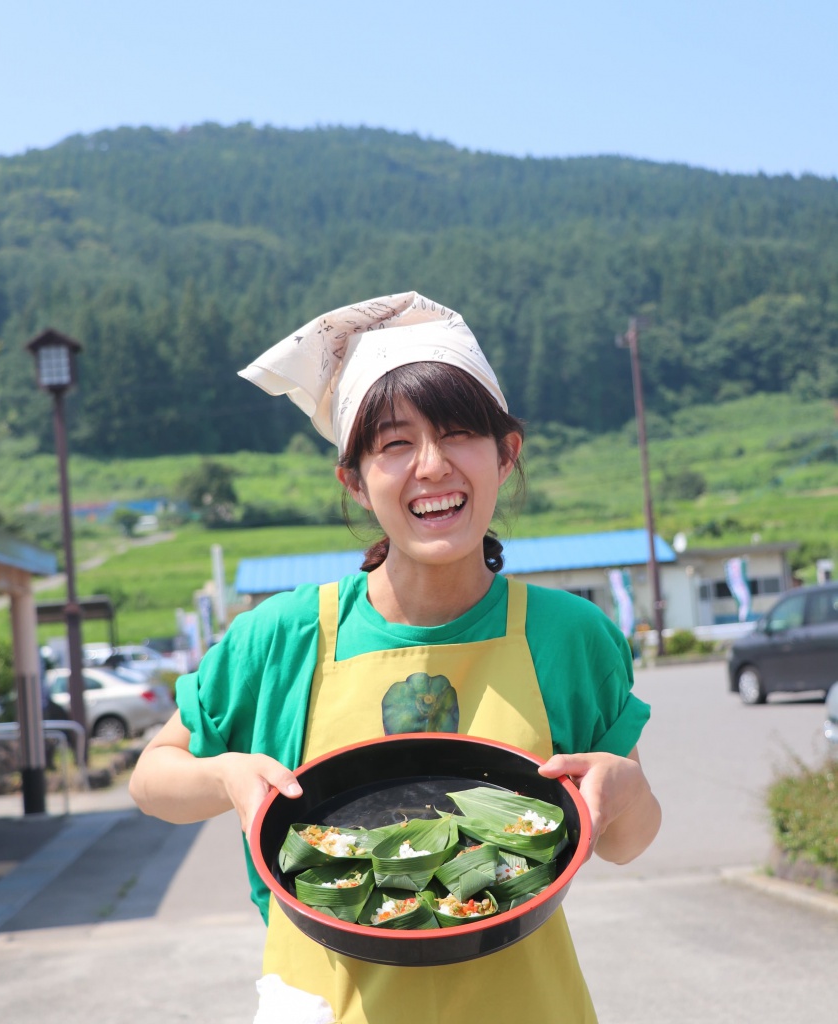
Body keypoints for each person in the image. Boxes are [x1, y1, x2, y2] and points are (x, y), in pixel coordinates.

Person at [130, 291, 661, 1024]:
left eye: (459, 434)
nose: (432, 466)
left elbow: (626, 842)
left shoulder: (568, 636)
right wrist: (226, 775)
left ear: (506, 455)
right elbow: (152, 780)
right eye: (394, 444)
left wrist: (624, 789)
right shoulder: (282, 636)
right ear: (353, 478)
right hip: (326, 1006)